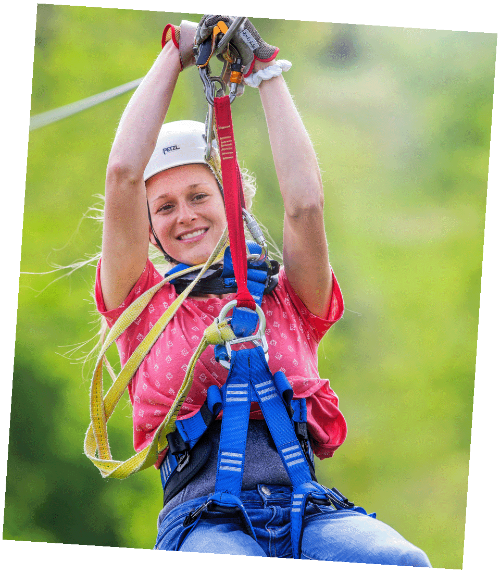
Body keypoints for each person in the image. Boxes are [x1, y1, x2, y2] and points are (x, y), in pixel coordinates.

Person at [95, 15, 432, 564]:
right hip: (203, 522)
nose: (185, 216)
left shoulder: (287, 297)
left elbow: (305, 206)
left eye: (199, 195)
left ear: (234, 200)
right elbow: (122, 175)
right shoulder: (142, 306)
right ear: (149, 228)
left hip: (310, 512)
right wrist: (173, 57)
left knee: (402, 560)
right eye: (165, 207)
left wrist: (267, 72)